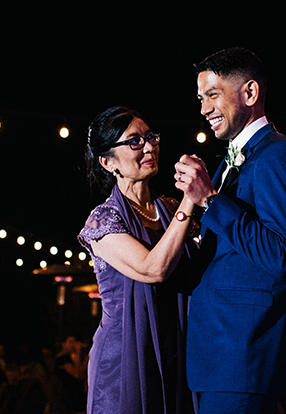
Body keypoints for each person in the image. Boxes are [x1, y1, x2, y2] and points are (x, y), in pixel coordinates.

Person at [174, 47, 286, 414]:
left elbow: (281, 255)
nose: (204, 108)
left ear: (250, 94)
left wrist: (210, 200)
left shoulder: (280, 156)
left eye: (213, 95)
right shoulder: (227, 165)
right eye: (201, 97)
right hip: (216, 357)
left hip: (244, 355)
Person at [78, 106, 199, 414]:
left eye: (150, 137)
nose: (149, 146)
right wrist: (190, 198)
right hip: (126, 358)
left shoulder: (170, 210)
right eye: (134, 141)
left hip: (176, 348)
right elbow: (152, 268)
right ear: (108, 162)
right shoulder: (103, 220)